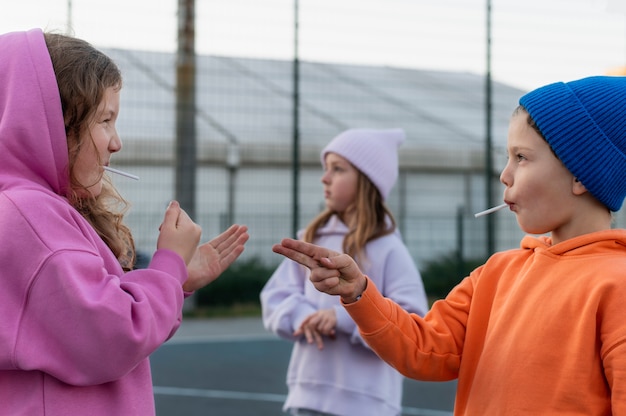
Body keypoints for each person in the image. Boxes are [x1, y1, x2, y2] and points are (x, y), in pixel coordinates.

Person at [272, 76, 626, 415]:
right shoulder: (496, 273)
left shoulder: (616, 284)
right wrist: (359, 293)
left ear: (582, 173)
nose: (505, 174)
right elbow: (425, 348)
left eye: (521, 157)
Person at [0, 28, 249, 415]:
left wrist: (175, 279)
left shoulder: (21, 209)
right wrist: (167, 268)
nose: (116, 142)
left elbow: (70, 317)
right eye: (104, 120)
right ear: (46, 123)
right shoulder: (32, 215)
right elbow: (111, 335)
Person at [261, 128, 429, 416]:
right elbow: (275, 297)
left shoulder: (389, 248)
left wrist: (342, 318)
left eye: (337, 170)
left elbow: (412, 321)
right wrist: (305, 318)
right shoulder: (312, 238)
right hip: (307, 396)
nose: (325, 178)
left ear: (366, 183)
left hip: (368, 404)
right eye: (326, 169)